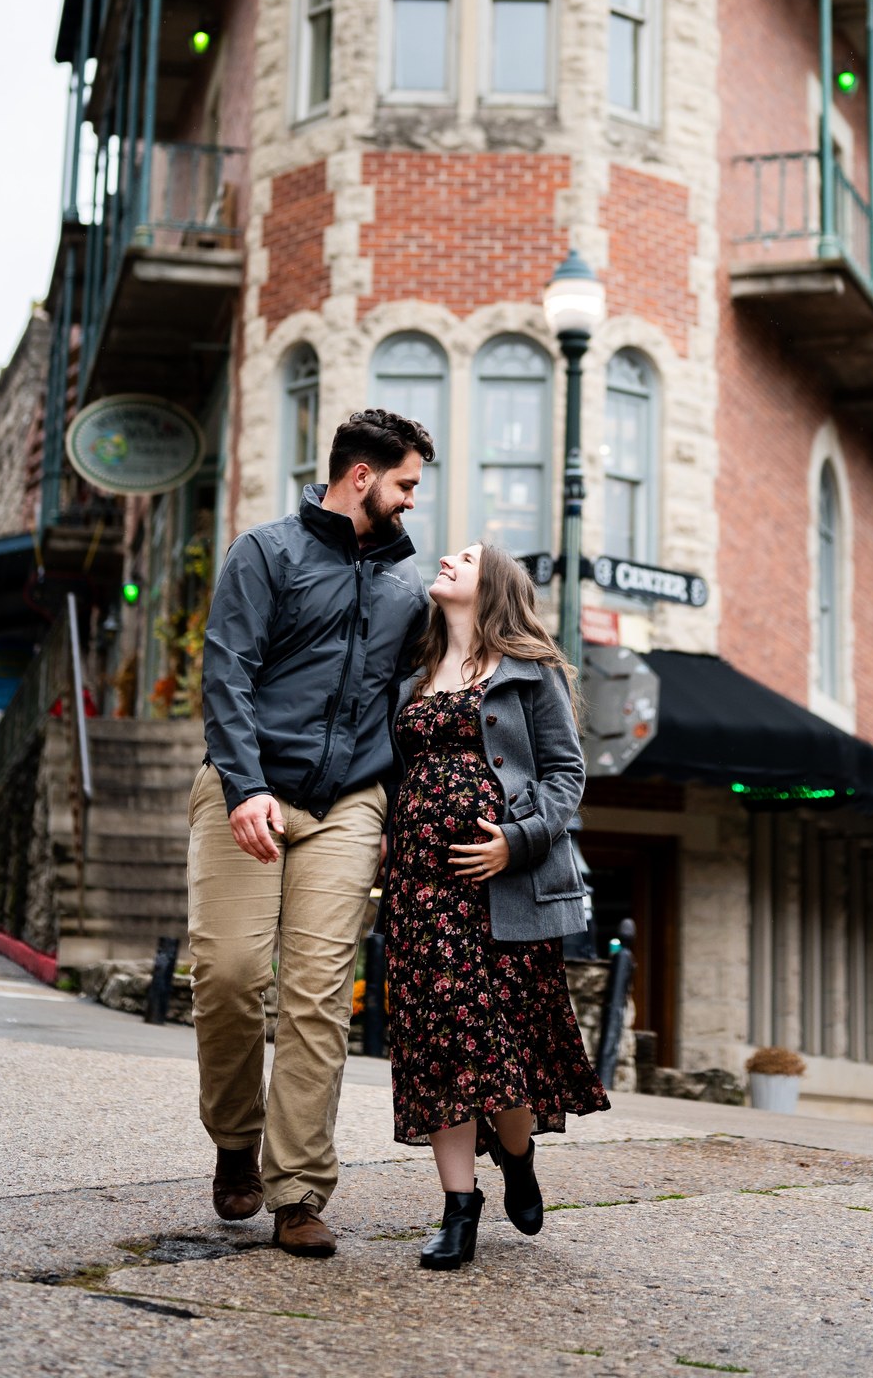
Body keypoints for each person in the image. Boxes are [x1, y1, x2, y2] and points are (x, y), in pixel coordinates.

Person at [189, 407, 433, 1257]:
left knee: (320, 997)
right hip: (247, 787)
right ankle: (233, 1138)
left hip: (349, 803)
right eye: (404, 484)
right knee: (228, 973)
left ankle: (297, 1191)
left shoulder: (408, 589)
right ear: (360, 476)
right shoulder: (266, 552)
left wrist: (401, 812)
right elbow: (227, 671)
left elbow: (411, 706)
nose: (411, 501)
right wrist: (244, 786)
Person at [384, 540, 610, 1271]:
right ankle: (458, 1207)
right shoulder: (412, 673)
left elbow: (565, 774)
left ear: (494, 586)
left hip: (500, 892)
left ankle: (515, 1154)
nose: (448, 559)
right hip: (420, 892)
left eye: (466, 557)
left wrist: (516, 841)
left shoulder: (528, 672)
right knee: (439, 1046)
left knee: (497, 1044)